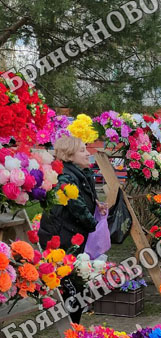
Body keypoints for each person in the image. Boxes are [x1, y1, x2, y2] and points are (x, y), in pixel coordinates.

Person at [39, 135, 108, 323]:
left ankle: (73, 328)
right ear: (69, 155)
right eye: (82, 150)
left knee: (76, 283)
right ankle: (71, 329)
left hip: (71, 235)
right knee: (71, 284)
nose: (88, 153)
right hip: (62, 237)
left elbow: (83, 196)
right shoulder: (65, 175)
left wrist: (95, 205)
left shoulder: (78, 172)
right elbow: (75, 204)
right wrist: (93, 224)